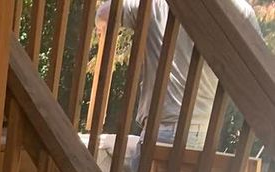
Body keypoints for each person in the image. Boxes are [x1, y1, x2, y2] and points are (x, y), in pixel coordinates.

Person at [97, 0, 263, 153]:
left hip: (160, 128)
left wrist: (101, 29)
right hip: (204, 131)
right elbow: (257, 69)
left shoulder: (155, 3)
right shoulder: (240, 10)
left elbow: (104, 12)